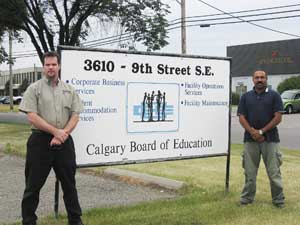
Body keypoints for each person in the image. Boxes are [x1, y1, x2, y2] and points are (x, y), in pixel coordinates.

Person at [19, 51, 84, 225]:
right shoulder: (34, 89)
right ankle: (28, 221)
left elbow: (75, 115)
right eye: (47, 64)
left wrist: (63, 135)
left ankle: (75, 220)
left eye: (54, 64)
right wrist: (56, 132)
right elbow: (32, 116)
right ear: (43, 67)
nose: (51, 67)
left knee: (69, 185)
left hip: (64, 141)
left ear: (59, 66)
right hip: (40, 143)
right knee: (33, 186)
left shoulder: (69, 90)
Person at [237, 70, 285, 208]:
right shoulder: (246, 97)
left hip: (270, 140)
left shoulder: (274, 96)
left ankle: (278, 201)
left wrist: (261, 131)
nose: (259, 80)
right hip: (250, 140)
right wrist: (253, 132)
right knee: (249, 173)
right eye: (257, 77)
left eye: (262, 77)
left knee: (274, 173)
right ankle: (246, 199)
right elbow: (241, 117)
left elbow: (278, 117)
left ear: (266, 79)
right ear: (252, 80)